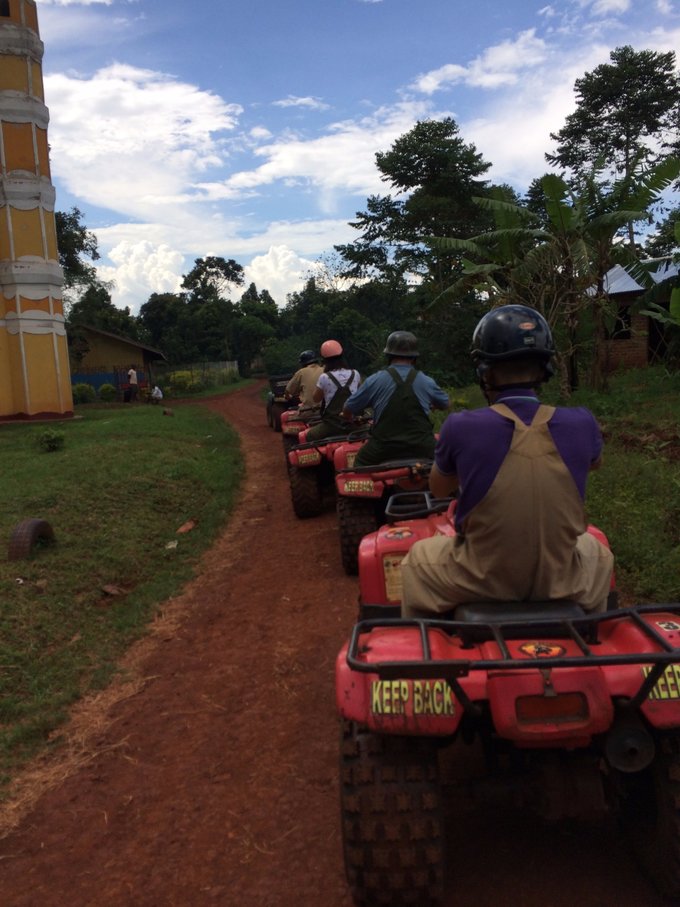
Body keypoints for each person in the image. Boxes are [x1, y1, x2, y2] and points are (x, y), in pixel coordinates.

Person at [400, 304, 614, 618]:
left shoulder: (460, 426)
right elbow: (594, 464)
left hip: (481, 580)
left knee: (416, 560)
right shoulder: (582, 421)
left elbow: (439, 489)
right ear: (545, 368)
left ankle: (427, 644)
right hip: (561, 579)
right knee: (600, 553)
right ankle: (591, 634)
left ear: (484, 372)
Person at [342, 331, 449, 467]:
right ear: (414, 357)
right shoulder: (426, 381)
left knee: (359, 463)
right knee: (448, 462)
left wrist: (349, 418)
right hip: (422, 445)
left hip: (383, 447)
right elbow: (446, 404)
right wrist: (433, 405)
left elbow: (348, 408)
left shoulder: (374, 380)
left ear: (389, 355)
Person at [305, 340, 361, 441]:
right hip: (352, 424)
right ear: (342, 356)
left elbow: (316, 399)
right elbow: (360, 394)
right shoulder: (355, 373)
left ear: (324, 360)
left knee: (310, 436)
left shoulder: (324, 377)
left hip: (331, 426)